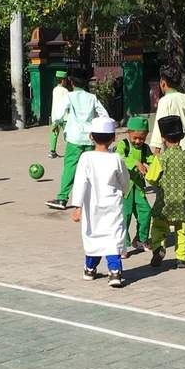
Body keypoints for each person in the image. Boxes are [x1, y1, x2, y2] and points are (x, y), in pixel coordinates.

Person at [70, 116, 130, 288]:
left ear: (91, 136)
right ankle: (115, 272)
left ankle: (89, 269)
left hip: (92, 206)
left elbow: (80, 182)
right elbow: (125, 180)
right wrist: (124, 190)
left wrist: (77, 206)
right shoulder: (116, 158)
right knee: (113, 238)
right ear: (113, 138)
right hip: (113, 206)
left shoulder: (86, 157)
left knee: (93, 238)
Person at [46, 72, 109, 210]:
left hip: (74, 138)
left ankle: (62, 198)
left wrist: (57, 122)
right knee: (90, 169)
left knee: (70, 167)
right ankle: (94, 198)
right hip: (90, 138)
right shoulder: (92, 97)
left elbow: (58, 114)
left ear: (72, 83)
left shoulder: (69, 96)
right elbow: (104, 115)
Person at [146, 115, 185, 269]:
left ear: (163, 138)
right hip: (182, 202)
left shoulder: (161, 158)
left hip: (164, 202)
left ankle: (158, 248)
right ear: (181, 137)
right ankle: (182, 258)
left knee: (158, 227)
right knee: (183, 230)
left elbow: (151, 178)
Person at [118, 115, 153, 255]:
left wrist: (157, 165)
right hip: (124, 188)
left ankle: (140, 239)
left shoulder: (145, 148)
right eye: (135, 138)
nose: (138, 141)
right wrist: (136, 163)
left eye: (142, 138)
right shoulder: (123, 145)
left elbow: (151, 160)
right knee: (124, 216)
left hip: (138, 187)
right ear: (129, 133)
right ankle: (122, 245)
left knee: (146, 212)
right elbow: (119, 157)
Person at [148, 69, 185, 156]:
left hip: (171, 145)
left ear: (163, 83)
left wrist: (157, 149)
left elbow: (159, 124)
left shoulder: (164, 101)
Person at [48, 69, 70, 158]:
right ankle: (69, 151)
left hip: (55, 117)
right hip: (64, 117)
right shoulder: (65, 91)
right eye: (65, 80)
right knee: (67, 134)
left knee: (54, 133)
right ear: (63, 80)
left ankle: (52, 151)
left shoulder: (55, 90)